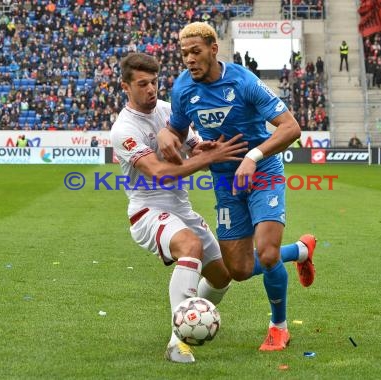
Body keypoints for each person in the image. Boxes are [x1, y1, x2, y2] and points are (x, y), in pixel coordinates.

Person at [158, 22, 317, 352]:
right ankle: (300, 251)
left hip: (262, 171)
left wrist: (254, 157)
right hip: (225, 181)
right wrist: (173, 139)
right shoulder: (182, 89)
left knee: (267, 252)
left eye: (196, 52)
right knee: (239, 270)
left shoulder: (243, 81)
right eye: (184, 53)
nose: (189, 59)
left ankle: (278, 327)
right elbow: (177, 131)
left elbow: (291, 127)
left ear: (213, 49)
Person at [111, 52, 248, 364]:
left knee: (222, 276)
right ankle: (178, 341)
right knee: (190, 245)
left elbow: (192, 148)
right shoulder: (124, 129)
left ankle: (197, 318)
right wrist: (206, 159)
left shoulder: (169, 111)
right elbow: (159, 172)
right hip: (147, 211)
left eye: (154, 82)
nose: (150, 89)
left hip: (180, 208)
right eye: (142, 84)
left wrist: (204, 148)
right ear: (126, 87)